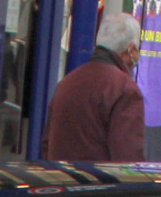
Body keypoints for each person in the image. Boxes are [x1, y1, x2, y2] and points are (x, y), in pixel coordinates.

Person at [41, 9, 146, 163]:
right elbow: (127, 159)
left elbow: (46, 144)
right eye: (137, 49)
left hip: (61, 181)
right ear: (130, 49)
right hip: (98, 184)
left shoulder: (67, 82)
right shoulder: (125, 90)